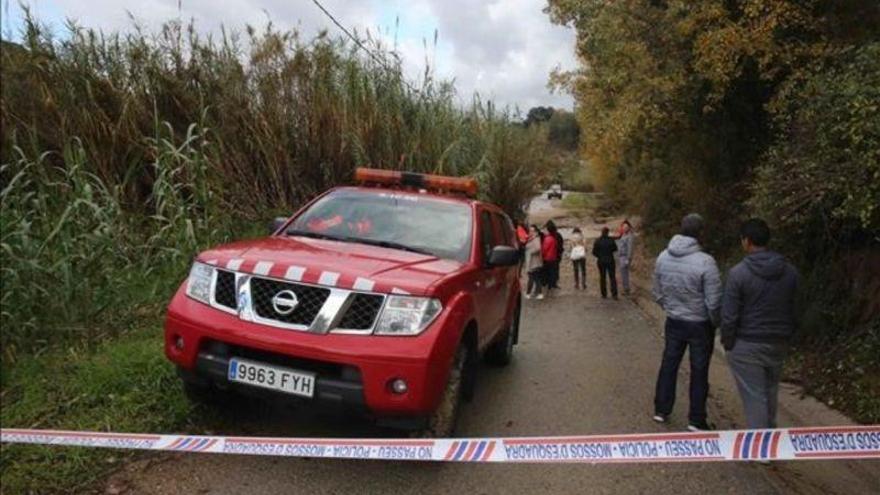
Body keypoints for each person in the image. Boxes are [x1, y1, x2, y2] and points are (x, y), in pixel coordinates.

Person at [721, 219, 799, 429]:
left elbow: (729, 315)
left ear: (746, 241)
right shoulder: (790, 271)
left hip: (747, 342)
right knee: (770, 391)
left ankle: (762, 449)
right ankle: (770, 437)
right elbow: (794, 307)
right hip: (778, 341)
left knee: (755, 396)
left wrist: (728, 342)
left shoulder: (738, 273)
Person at [651, 213, 722, 431]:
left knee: (669, 364)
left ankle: (661, 410)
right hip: (699, 324)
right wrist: (714, 322)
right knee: (699, 370)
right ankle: (696, 419)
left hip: (674, 320)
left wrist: (670, 307)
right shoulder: (706, 262)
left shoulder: (663, 256)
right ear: (700, 233)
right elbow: (713, 301)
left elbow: (657, 291)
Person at [592, 227, 618, 299]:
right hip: (610, 260)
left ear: (601, 232)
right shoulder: (611, 240)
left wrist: (599, 256)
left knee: (602, 277)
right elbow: (615, 249)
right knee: (612, 277)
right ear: (608, 232)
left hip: (601, 261)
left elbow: (594, 252)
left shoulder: (597, 241)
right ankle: (614, 294)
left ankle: (604, 294)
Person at [524, 225, 545, 300]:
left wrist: (530, 252)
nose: (531, 232)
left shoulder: (536, 238)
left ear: (536, 232)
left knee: (533, 278)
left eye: (532, 231)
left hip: (534, 262)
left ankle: (529, 293)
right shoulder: (531, 239)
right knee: (534, 278)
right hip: (532, 262)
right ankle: (536, 293)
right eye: (530, 231)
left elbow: (538, 248)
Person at [617, 220, 634, 296]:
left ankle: (626, 289)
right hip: (621, 256)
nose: (624, 228)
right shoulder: (623, 235)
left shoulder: (630, 236)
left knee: (624, 274)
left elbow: (630, 248)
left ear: (629, 228)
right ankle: (625, 288)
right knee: (623, 274)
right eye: (623, 227)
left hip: (625, 257)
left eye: (626, 227)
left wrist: (628, 258)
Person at [544, 221, 563, 290]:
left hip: (548, 257)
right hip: (556, 256)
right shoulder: (558, 235)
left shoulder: (547, 237)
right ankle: (554, 283)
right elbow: (561, 246)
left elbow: (544, 247)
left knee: (548, 270)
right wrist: (560, 253)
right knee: (555, 270)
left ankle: (548, 283)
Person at [541, 222, 559, 294]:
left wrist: (541, 256)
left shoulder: (547, 239)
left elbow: (544, 249)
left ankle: (548, 285)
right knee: (552, 272)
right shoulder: (554, 238)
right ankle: (551, 285)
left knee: (547, 272)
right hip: (553, 258)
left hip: (547, 258)